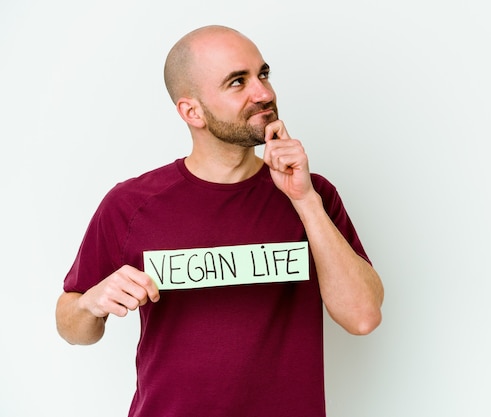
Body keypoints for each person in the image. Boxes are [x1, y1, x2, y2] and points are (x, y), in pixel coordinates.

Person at [55, 25, 384, 417]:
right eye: (236, 82)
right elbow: (71, 324)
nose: (263, 93)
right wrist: (93, 303)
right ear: (191, 111)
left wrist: (304, 200)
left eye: (262, 75)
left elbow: (363, 317)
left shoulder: (313, 195)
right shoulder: (130, 205)